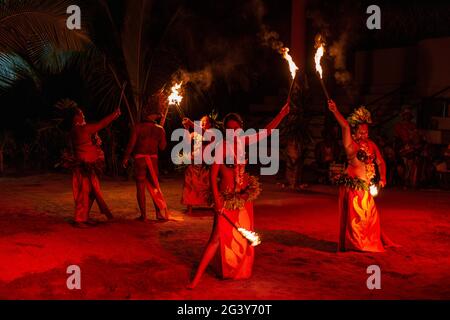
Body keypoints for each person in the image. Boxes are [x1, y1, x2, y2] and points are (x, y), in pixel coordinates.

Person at [188, 103, 289, 289]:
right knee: (216, 238)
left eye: (237, 128)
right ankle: (196, 279)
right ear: (225, 131)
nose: (234, 132)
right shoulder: (222, 147)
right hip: (226, 199)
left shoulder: (244, 142)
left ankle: (238, 270)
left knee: (242, 235)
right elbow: (212, 175)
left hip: (243, 198)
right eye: (230, 129)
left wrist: (282, 114)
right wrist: (217, 200)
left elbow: (267, 131)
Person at [328, 100, 398, 252]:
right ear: (354, 133)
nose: (364, 135)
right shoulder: (351, 146)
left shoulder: (372, 145)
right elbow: (345, 126)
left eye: (366, 132)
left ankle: (368, 241)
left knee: (372, 217)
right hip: (353, 187)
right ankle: (357, 244)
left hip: (366, 187)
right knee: (357, 218)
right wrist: (335, 111)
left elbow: (380, 162)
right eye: (360, 132)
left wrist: (383, 178)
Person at [62, 103, 120, 227]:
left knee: (92, 193)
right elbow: (101, 124)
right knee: (85, 193)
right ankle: (79, 220)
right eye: (81, 113)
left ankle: (84, 217)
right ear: (75, 117)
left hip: (89, 166)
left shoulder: (79, 129)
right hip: (84, 167)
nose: (83, 115)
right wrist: (113, 115)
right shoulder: (81, 129)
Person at [122, 109, 169, 221]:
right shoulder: (160, 129)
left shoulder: (138, 127)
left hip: (141, 159)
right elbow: (162, 147)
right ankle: (158, 214)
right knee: (155, 187)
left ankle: (143, 216)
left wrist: (126, 157)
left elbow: (131, 144)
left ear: (145, 115)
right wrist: (161, 134)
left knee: (140, 186)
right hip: (153, 159)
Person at [180, 115, 216, 214]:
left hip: (205, 164)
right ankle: (190, 208)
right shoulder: (195, 133)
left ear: (210, 124)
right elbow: (186, 141)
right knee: (190, 185)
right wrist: (187, 129)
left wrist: (191, 123)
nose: (203, 123)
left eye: (205, 121)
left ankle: (213, 206)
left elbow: (206, 135)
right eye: (202, 121)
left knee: (208, 186)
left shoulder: (212, 133)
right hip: (194, 162)